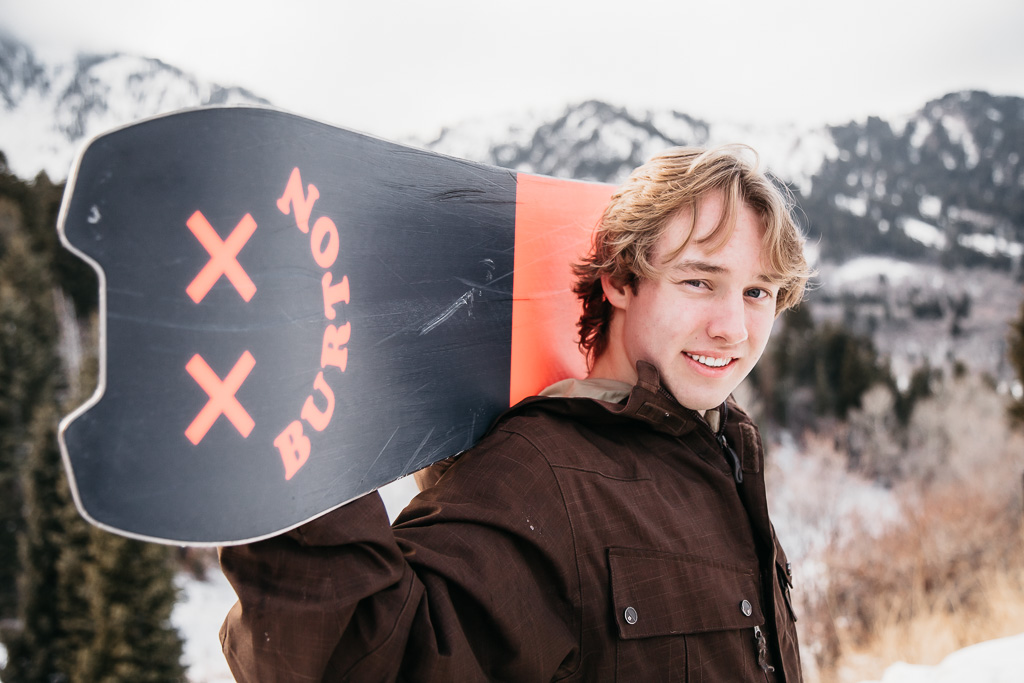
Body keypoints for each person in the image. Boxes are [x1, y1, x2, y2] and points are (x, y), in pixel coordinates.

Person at [219, 145, 812, 682]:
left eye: (757, 293)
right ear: (621, 280)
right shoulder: (541, 474)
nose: (733, 328)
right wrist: (292, 441)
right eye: (699, 283)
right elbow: (375, 660)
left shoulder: (726, 450)